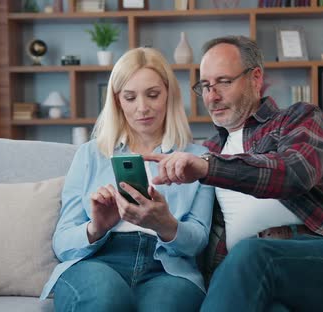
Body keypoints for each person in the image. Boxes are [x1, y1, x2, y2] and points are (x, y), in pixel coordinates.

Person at [144, 36, 323, 312]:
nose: (212, 97)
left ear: (255, 78)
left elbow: (294, 174)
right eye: (205, 86)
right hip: (251, 279)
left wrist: (209, 167)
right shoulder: (209, 149)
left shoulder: (298, 119)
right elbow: (200, 233)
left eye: (223, 82)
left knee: (252, 254)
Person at [40, 47, 214, 312]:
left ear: (169, 94)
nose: (142, 108)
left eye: (153, 95)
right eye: (130, 97)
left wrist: (166, 225)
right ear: (117, 100)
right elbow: (62, 243)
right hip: (99, 260)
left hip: (167, 268)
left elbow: (197, 242)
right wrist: (96, 227)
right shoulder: (90, 154)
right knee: (105, 299)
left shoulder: (197, 159)